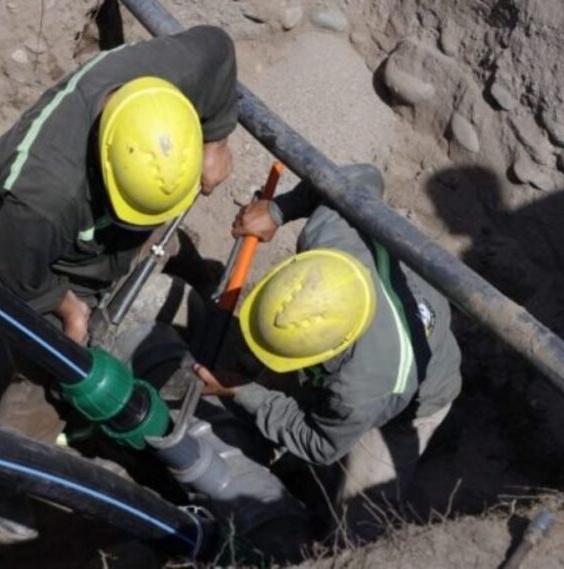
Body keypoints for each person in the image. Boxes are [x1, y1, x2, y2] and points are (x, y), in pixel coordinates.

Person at [0, 25, 239, 539]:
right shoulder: (40, 205)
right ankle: (4, 470)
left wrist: (216, 139)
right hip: (29, 261)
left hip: (96, 223)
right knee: (50, 369)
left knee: (155, 257)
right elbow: (8, 276)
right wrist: (68, 308)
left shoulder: (170, 79)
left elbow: (219, 49)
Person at [194, 163, 462, 539]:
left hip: (416, 402)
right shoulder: (331, 232)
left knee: (361, 524)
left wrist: (241, 391)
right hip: (383, 354)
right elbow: (362, 175)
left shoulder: (359, 388)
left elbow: (321, 443)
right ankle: (280, 459)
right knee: (280, 398)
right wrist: (277, 210)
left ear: (333, 349)